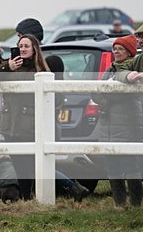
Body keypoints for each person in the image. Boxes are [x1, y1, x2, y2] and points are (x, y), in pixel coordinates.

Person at [0, 34, 50, 200]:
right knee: (19, 164)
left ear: (34, 49)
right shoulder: (12, 66)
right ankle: (25, 198)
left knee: (31, 165)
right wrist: (6, 66)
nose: (23, 49)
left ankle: (33, 197)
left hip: (29, 125)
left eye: (26, 46)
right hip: (10, 125)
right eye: (20, 46)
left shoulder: (39, 70)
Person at [99, 35, 143, 207]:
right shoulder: (109, 70)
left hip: (127, 125)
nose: (116, 52)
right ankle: (119, 204)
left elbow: (129, 96)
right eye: (114, 48)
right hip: (107, 126)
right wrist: (108, 100)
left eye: (120, 49)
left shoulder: (132, 68)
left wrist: (111, 97)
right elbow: (96, 92)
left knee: (131, 166)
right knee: (112, 168)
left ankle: (136, 204)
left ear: (129, 52)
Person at [45, 55, 90, 202]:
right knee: (49, 164)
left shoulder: (51, 86)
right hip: (54, 127)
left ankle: (72, 187)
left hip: (49, 127)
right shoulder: (59, 84)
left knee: (44, 165)